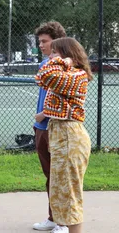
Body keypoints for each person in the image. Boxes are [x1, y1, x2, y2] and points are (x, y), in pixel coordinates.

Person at [35, 37, 93, 233]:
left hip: (70, 135)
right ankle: (60, 225)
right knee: (59, 190)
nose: (49, 56)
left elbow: (46, 73)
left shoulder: (77, 75)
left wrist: (64, 61)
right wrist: (62, 60)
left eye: (54, 53)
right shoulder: (67, 74)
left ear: (69, 56)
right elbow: (41, 78)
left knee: (69, 193)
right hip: (59, 134)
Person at [33, 21, 68, 232]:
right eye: (40, 42)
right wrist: (39, 121)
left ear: (57, 42)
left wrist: (44, 114)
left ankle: (63, 222)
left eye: (45, 41)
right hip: (41, 128)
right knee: (50, 176)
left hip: (57, 129)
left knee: (60, 177)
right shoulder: (43, 65)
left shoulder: (68, 66)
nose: (41, 45)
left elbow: (65, 98)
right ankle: (53, 217)